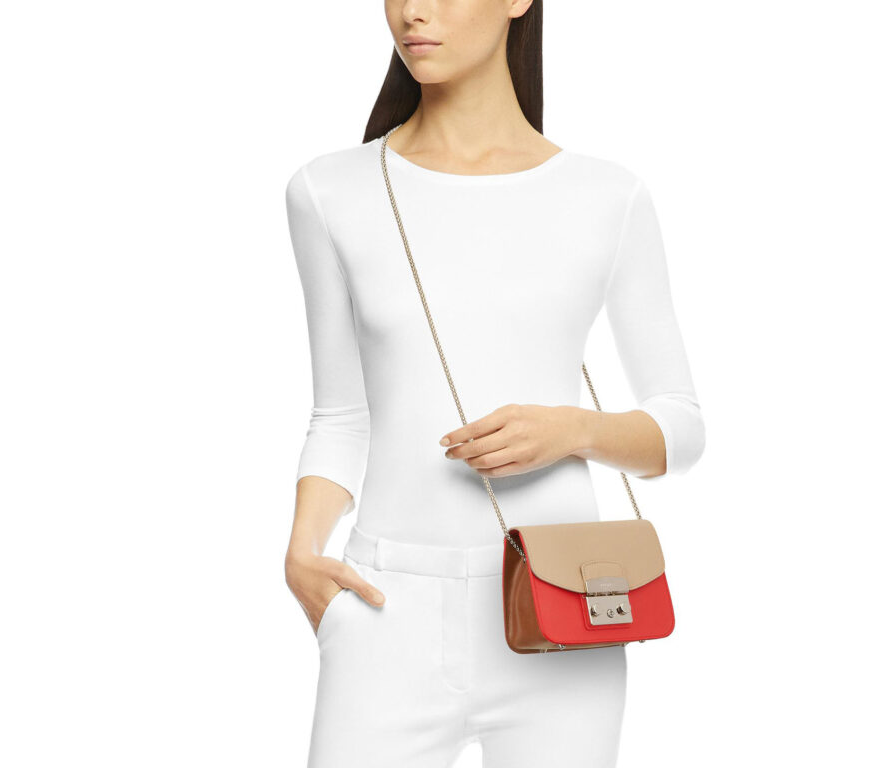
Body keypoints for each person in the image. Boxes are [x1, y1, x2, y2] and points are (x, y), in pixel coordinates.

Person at [283, 2, 705, 766]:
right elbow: (342, 415)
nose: (413, 12)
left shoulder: (607, 195)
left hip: (566, 607)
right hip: (385, 606)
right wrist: (303, 551)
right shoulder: (329, 190)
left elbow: (681, 426)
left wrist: (574, 430)